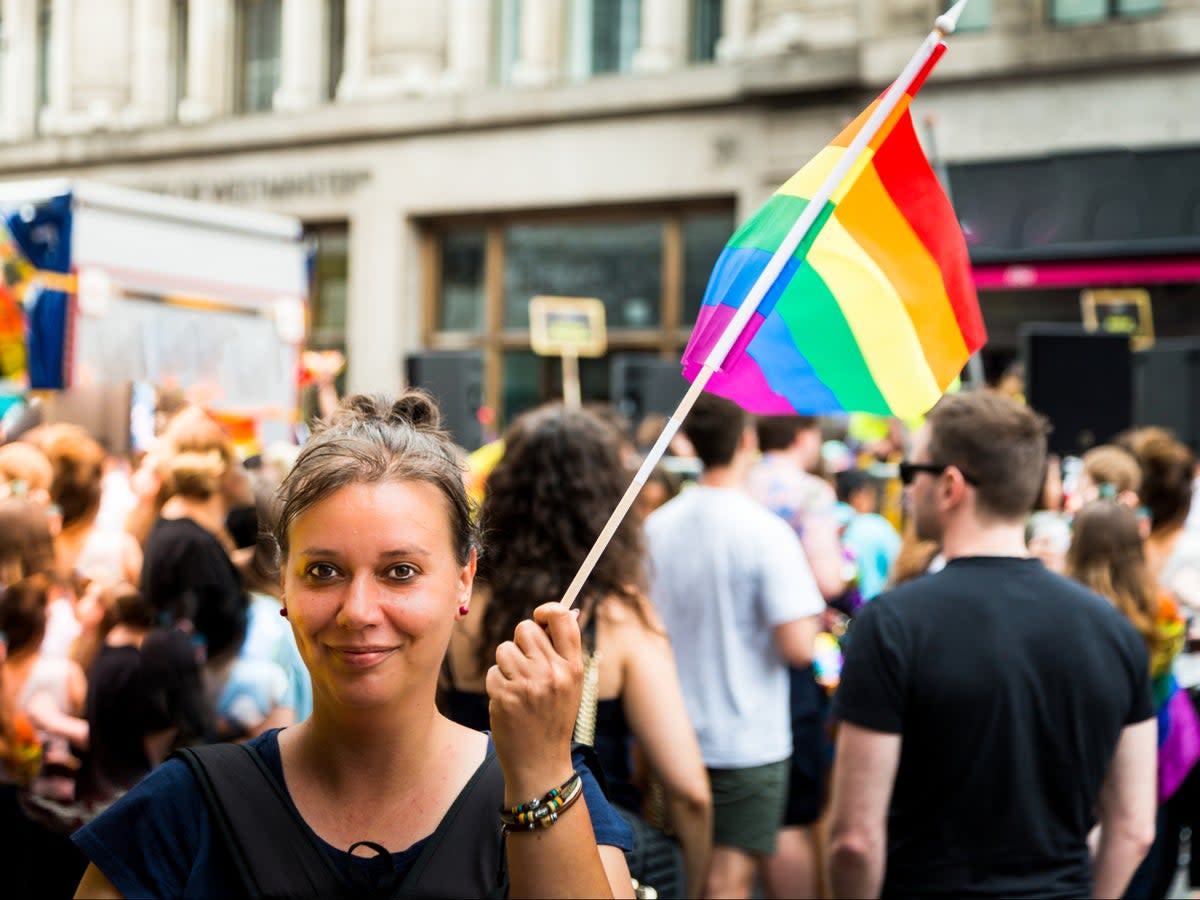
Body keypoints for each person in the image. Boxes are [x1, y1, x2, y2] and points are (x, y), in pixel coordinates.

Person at [72, 391, 634, 898]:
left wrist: (538, 775)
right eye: (323, 571)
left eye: (400, 571)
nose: (358, 612)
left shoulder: (557, 791)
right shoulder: (184, 809)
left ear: (464, 578)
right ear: (283, 583)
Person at [827, 391, 1157, 899]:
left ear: (951, 485)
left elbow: (854, 840)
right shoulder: (1112, 630)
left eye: (913, 469)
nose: (908, 486)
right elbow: (1134, 827)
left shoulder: (891, 625)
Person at [446, 403, 712, 898]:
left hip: (459, 853)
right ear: (605, 502)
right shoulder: (619, 620)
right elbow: (689, 791)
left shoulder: (453, 609)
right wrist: (695, 879)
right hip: (592, 855)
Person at [646, 394, 824, 900]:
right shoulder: (766, 532)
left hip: (669, 732)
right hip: (749, 740)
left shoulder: (657, 527)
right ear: (746, 439)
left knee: (677, 875)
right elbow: (798, 648)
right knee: (729, 881)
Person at [1066, 499, 1200, 899]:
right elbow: (1158, 694)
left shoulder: (1064, 610)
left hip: (1078, 764)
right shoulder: (1159, 610)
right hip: (1148, 759)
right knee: (1142, 861)